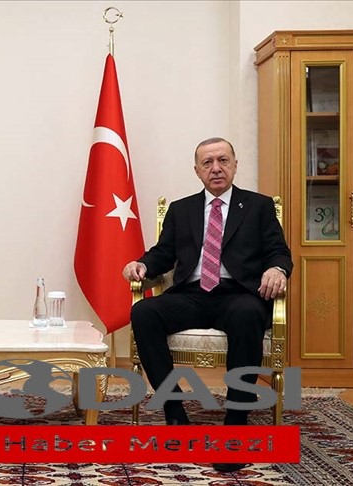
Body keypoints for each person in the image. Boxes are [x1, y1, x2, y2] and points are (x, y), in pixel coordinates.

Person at [122, 137, 292, 473]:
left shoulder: (258, 207)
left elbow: (278, 251)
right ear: (197, 171)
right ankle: (175, 412)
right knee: (143, 311)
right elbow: (163, 254)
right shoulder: (181, 209)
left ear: (235, 165)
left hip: (238, 293)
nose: (216, 168)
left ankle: (236, 422)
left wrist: (277, 268)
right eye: (207, 163)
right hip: (192, 293)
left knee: (247, 314)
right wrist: (142, 264)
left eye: (223, 160)